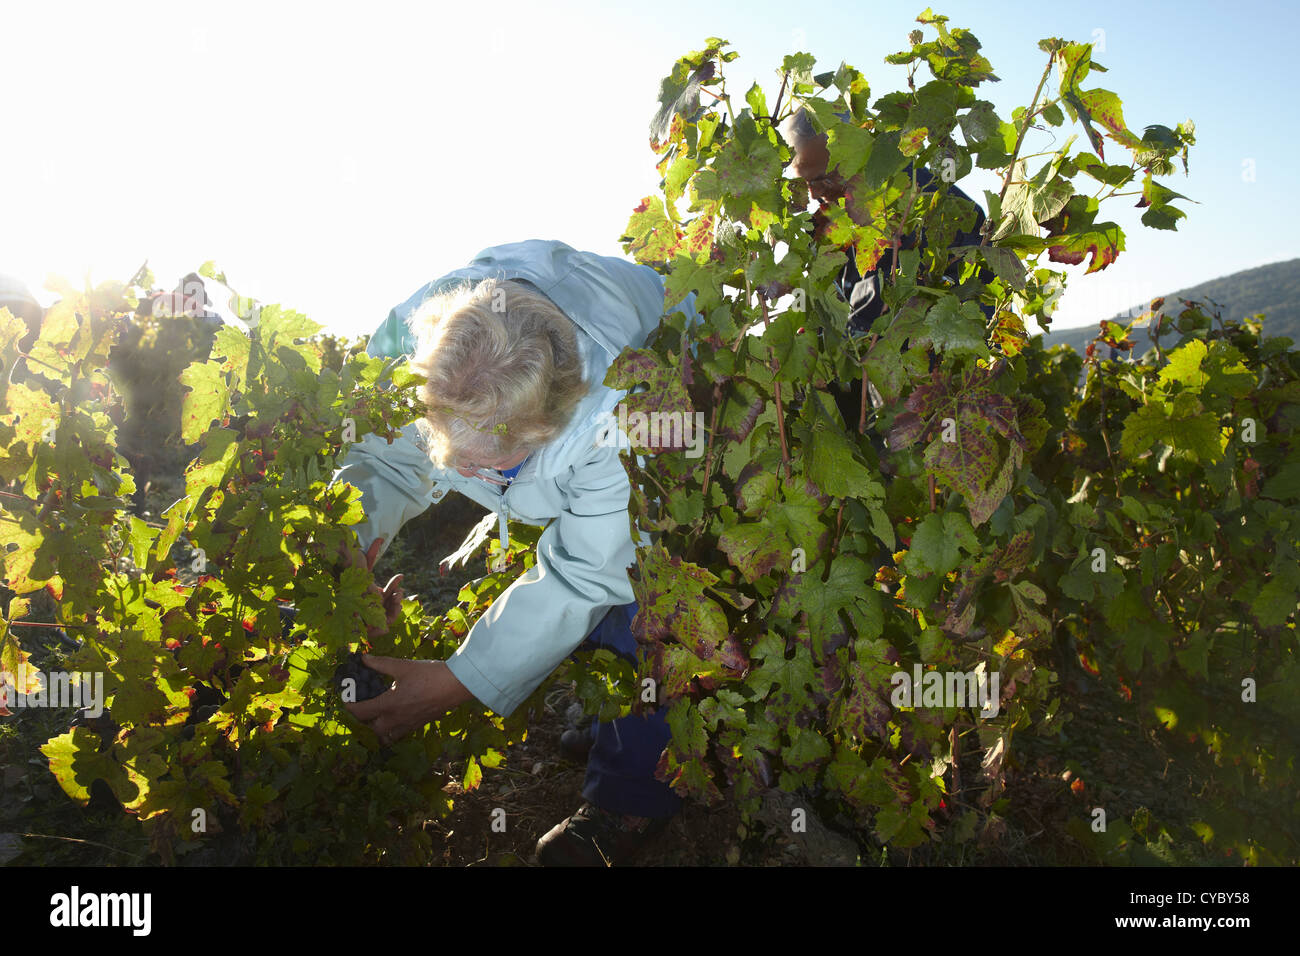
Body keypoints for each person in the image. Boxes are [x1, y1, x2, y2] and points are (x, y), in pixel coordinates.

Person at [329, 239, 697, 866]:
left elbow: (589, 568)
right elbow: (386, 463)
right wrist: (350, 556)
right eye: (450, 453)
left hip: (693, 401)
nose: (460, 474)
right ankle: (612, 708)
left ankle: (631, 794)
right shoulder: (407, 355)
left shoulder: (621, 412)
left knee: (649, 585)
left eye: (485, 467)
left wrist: (458, 680)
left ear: (548, 426)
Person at [779, 108, 990, 430]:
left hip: (937, 396)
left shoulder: (927, 198)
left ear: (853, 154)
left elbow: (982, 292)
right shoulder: (832, 223)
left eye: (821, 179)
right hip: (875, 403)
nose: (813, 193)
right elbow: (839, 307)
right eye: (805, 182)